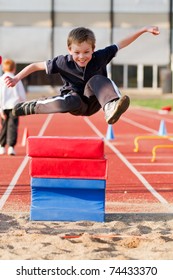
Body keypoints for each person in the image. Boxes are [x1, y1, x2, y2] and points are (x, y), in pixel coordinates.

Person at [4, 26, 159, 124]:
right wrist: (17, 78)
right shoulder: (63, 62)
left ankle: (111, 105)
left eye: (86, 52)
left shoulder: (100, 56)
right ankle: (32, 107)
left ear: (93, 49)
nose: (82, 57)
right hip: (74, 102)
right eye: (77, 52)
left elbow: (121, 43)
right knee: (71, 99)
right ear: (69, 50)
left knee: (97, 79)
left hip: (94, 102)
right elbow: (35, 65)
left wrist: (144, 30)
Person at [0, 59, 26, 155]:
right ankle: (11, 147)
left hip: (4, 106)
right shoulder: (16, 79)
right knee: (13, 126)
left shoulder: (1, 79)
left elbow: (0, 95)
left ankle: (2, 146)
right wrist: (23, 106)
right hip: (14, 106)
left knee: (4, 126)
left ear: (3, 68)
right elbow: (22, 94)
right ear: (14, 68)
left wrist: (0, 109)